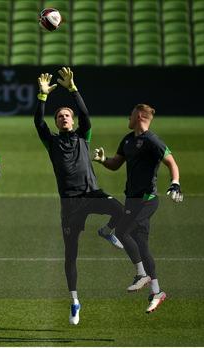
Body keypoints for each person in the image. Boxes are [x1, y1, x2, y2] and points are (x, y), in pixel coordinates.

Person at [35, 68, 125, 325]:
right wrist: (42, 97)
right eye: (60, 116)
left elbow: (86, 116)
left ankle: (108, 231)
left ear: (72, 121)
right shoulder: (51, 142)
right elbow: (37, 123)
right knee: (70, 254)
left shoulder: (83, 137)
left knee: (120, 210)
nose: (64, 118)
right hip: (70, 203)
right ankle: (75, 301)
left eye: (67, 115)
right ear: (57, 123)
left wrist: (73, 90)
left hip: (92, 193)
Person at [92, 103, 183, 313]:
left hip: (147, 200)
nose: (128, 116)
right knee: (141, 244)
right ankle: (157, 292)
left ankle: (142, 274)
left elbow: (171, 162)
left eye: (131, 113)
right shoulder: (127, 140)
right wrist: (103, 160)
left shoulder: (152, 140)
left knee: (122, 231)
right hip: (132, 200)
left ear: (140, 116)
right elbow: (116, 164)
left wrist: (175, 183)